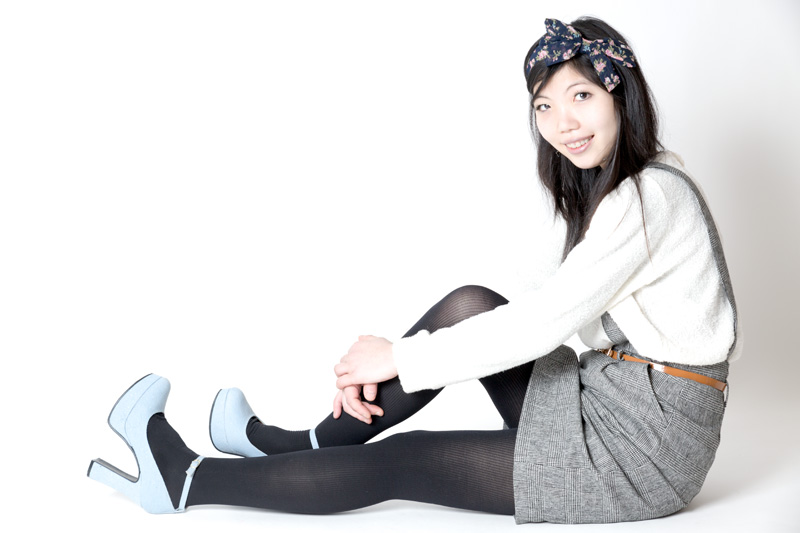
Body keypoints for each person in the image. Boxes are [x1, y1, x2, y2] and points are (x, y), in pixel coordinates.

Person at [88, 17, 739, 524]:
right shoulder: (612, 192)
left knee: (403, 461)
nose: (561, 122)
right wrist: (385, 366)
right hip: (610, 397)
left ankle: (186, 479)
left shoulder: (650, 199)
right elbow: (531, 291)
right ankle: (300, 443)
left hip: (644, 449)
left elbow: (542, 323)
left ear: (620, 94)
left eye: (581, 96)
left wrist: (398, 356)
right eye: (544, 106)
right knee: (471, 302)